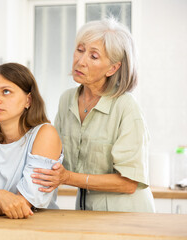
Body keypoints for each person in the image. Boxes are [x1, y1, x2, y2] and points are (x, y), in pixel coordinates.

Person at [31, 18, 155, 212]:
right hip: (85, 212)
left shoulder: (126, 107)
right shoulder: (67, 100)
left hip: (127, 216)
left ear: (112, 68)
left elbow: (129, 183)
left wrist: (67, 177)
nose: (80, 61)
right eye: (80, 50)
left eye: (93, 56)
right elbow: (54, 155)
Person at [0, 63, 63, 220]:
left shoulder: (45, 134)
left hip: (38, 228)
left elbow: (28, 199)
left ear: (28, 100)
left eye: (6, 91)